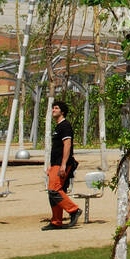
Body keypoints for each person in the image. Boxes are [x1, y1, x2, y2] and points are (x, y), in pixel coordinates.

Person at [44, 98, 81, 230]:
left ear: (63, 112)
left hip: (62, 164)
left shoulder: (65, 126)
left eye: (57, 108)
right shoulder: (58, 127)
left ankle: (74, 210)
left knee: (54, 190)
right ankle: (56, 221)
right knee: (53, 193)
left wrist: (63, 164)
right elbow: (56, 148)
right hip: (55, 163)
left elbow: (67, 145)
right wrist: (51, 165)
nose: (53, 110)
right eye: (53, 108)